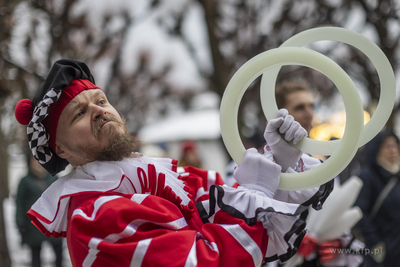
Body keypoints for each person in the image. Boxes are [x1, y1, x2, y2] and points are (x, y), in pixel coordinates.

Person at [14, 59, 332, 267]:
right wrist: (256, 190)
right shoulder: (93, 214)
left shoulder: (166, 177)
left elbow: (228, 202)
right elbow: (204, 259)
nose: (99, 110)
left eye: (100, 100)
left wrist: (280, 162)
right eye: (79, 113)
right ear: (60, 148)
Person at [273, 80, 364, 267]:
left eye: (311, 106)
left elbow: (334, 211)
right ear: (279, 114)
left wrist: (335, 244)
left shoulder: (318, 165)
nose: (309, 113)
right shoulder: (256, 164)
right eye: (299, 107)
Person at [354, 130, 400, 266]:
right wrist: (376, 244)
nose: (393, 150)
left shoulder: (397, 175)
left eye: (395, 145)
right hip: (381, 253)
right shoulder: (367, 176)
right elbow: (359, 213)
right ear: (376, 149)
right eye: (387, 146)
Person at [15, 153, 63, 267]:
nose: (37, 163)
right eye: (34, 160)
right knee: (35, 257)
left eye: (39, 160)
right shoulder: (25, 181)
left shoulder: (53, 178)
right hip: (33, 224)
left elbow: (62, 200)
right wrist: (20, 223)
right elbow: (19, 204)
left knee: (59, 254)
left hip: (52, 223)